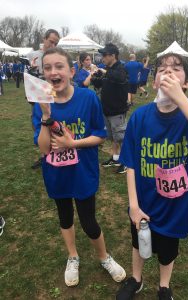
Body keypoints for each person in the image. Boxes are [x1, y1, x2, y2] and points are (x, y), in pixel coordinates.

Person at [116, 53, 188, 300]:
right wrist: (133, 205)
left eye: (176, 68)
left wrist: (181, 99)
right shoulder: (141, 117)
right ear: (154, 82)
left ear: (187, 82)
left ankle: (164, 287)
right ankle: (137, 279)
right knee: (139, 243)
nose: (168, 72)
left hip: (175, 207)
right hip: (143, 203)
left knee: (167, 252)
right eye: (162, 69)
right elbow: (130, 162)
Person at [32, 47, 126, 287]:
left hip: (83, 174)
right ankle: (72, 256)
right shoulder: (41, 102)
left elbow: (100, 135)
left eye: (59, 66)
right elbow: (43, 148)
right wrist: (46, 116)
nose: (54, 71)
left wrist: (72, 143)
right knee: (65, 217)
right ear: (43, 73)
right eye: (48, 68)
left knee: (89, 221)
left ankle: (104, 257)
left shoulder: (87, 98)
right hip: (56, 175)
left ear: (71, 71)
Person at [27, 29, 60, 170]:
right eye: (51, 41)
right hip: (36, 96)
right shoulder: (34, 55)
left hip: (52, 95)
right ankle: (44, 153)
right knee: (37, 123)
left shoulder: (57, 56)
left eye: (56, 43)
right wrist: (31, 70)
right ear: (44, 39)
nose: (53, 45)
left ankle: (56, 151)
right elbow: (29, 80)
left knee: (53, 121)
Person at [98, 43, 128, 174]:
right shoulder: (107, 69)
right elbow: (102, 83)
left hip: (117, 111)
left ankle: (126, 162)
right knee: (113, 138)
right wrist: (95, 77)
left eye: (105, 55)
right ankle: (116, 158)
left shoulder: (121, 68)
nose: (102, 57)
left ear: (113, 56)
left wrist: (105, 72)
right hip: (107, 110)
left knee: (121, 138)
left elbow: (120, 78)